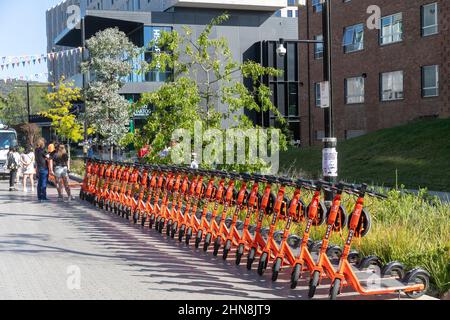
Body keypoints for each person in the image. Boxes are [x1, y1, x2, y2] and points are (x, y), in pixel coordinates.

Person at [35, 138, 50, 202]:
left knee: (39, 183)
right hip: (44, 167)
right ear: (42, 143)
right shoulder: (43, 150)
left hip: (39, 167)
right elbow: (48, 157)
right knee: (44, 183)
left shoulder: (36, 150)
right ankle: (43, 197)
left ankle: (39, 196)